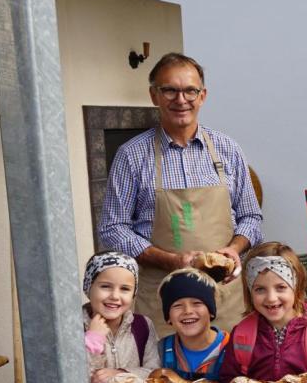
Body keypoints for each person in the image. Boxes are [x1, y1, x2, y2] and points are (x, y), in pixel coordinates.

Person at [99, 52, 263, 337]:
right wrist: (170, 260)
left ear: (203, 96)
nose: (181, 99)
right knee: (164, 378)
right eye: (170, 90)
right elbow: (113, 228)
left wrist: (234, 249)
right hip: (164, 301)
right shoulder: (132, 155)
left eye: (190, 90)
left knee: (230, 376)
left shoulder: (228, 149)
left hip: (224, 298)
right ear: (154, 95)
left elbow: (251, 216)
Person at [219, 242, 307, 383]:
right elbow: (229, 382)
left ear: (296, 287)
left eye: (281, 287)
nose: (271, 298)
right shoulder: (241, 335)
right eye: (260, 289)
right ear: (249, 292)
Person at [82, 251, 160, 383]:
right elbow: (71, 378)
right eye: (105, 286)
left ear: (133, 293)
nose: (115, 296)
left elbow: (155, 372)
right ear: (89, 287)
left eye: (125, 289)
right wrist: (92, 341)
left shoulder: (143, 326)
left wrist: (122, 374)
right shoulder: (72, 326)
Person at [158, 268, 230, 381]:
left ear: (211, 311)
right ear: (168, 318)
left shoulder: (233, 349)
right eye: (177, 305)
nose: (187, 311)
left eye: (197, 303)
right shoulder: (160, 351)